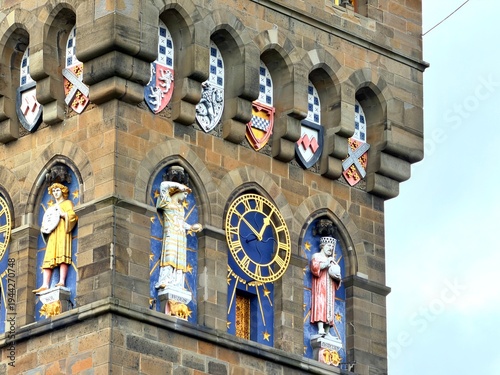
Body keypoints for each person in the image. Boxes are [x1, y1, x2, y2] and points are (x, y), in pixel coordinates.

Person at [155, 180, 202, 290]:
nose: (185, 196)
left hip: (181, 236)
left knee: (180, 259)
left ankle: (178, 283)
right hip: (171, 233)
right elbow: (163, 185)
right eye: (184, 193)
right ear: (178, 191)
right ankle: (165, 280)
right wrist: (180, 185)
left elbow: (180, 222)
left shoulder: (181, 208)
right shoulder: (167, 202)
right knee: (170, 256)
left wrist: (190, 227)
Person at [33, 183, 78, 293]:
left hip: (63, 231)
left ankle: (62, 281)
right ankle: (45, 284)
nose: (55, 193)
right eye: (54, 191)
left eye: (57, 190)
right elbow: (47, 221)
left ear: (62, 191)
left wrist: (63, 215)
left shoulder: (67, 203)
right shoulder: (51, 208)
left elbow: (72, 215)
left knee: (62, 255)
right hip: (53, 234)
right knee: (48, 257)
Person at [310, 236, 341, 337]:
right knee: (321, 304)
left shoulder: (331, 260)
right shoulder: (317, 256)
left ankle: (327, 332)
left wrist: (337, 277)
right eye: (329, 246)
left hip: (330, 288)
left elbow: (336, 275)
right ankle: (320, 328)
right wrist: (327, 263)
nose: (331, 249)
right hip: (320, 286)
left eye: (332, 247)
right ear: (323, 246)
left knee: (329, 307)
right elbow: (315, 268)